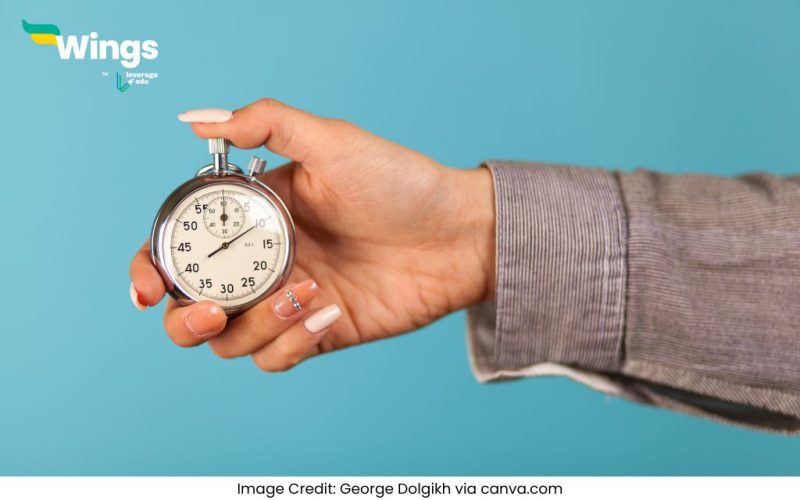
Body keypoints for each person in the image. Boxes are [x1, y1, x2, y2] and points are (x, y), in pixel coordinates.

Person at [129, 98, 800, 435]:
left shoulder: (259, 213)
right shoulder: (256, 217)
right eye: (204, 249)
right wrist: (475, 236)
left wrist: (479, 236)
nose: (218, 248)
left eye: (231, 241)